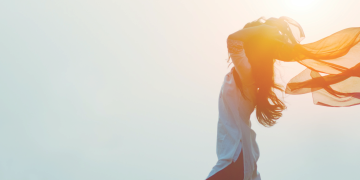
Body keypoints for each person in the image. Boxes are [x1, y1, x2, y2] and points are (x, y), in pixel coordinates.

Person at [207, 16, 360, 180]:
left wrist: (263, 31)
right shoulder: (248, 77)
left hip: (235, 158)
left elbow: (233, 40)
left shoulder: (246, 74)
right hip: (243, 161)